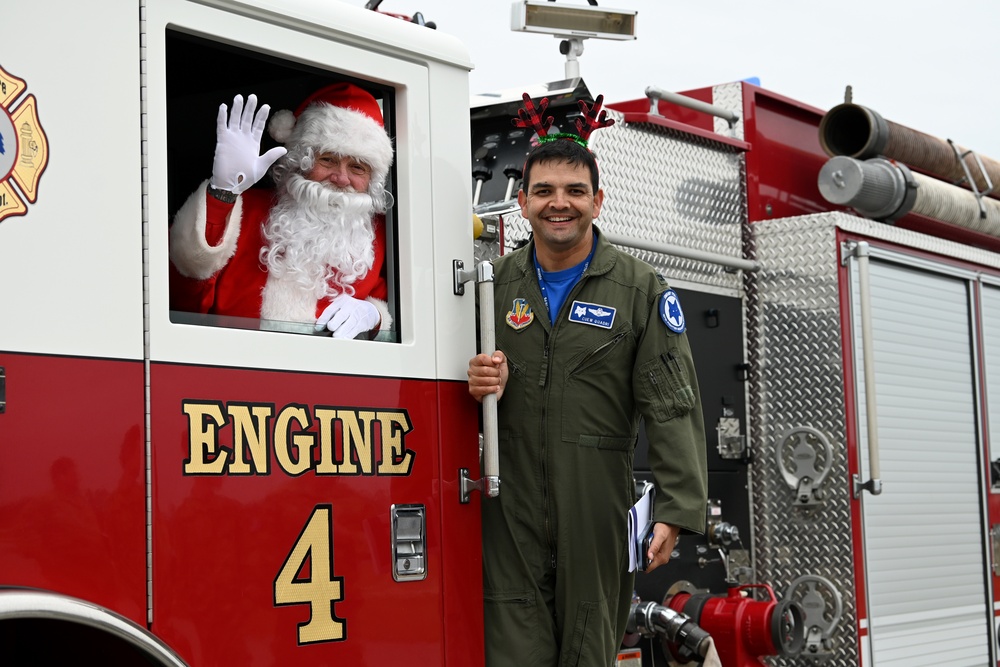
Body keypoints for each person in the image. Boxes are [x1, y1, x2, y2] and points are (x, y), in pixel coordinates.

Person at [467, 100, 708, 666]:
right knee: (511, 647)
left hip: (596, 504)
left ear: (597, 202)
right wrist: (473, 380)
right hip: (509, 501)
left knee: (587, 645)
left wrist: (676, 508)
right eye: (545, 190)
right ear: (522, 202)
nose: (560, 203)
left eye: (575, 191)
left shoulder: (638, 288)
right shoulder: (489, 287)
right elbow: (451, 379)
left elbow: (671, 403)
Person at [169, 82, 394, 339]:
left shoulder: (375, 233)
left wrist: (375, 316)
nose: (341, 178)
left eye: (357, 167)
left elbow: (409, 319)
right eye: (328, 159)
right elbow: (181, 299)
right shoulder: (242, 208)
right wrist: (222, 193)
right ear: (300, 161)